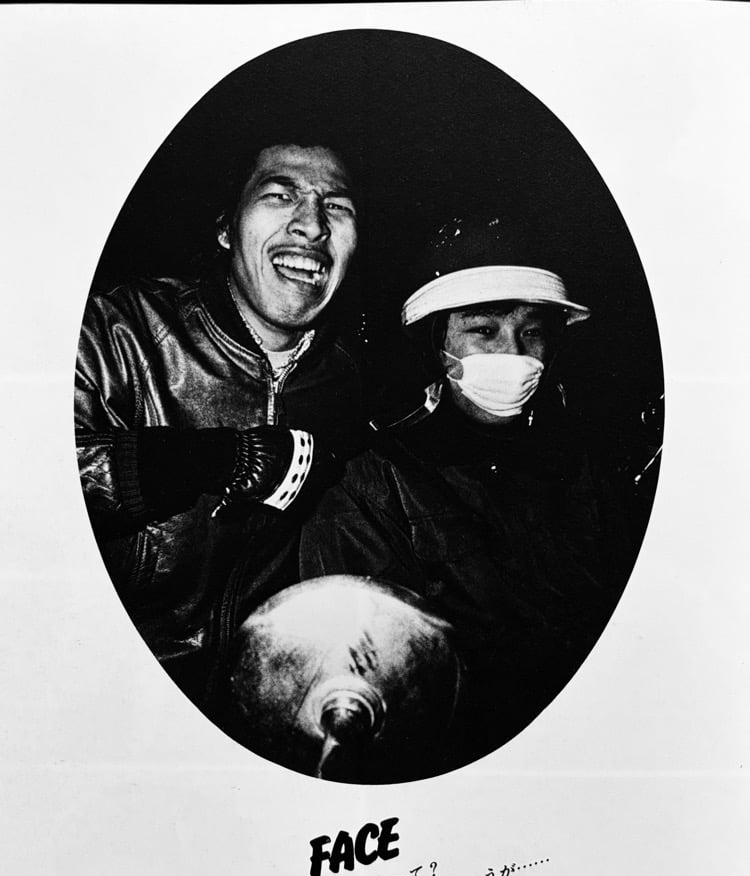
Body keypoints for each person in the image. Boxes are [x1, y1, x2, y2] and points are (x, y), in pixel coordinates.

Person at [298, 214, 639, 768]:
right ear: (438, 346)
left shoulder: (580, 468)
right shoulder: (373, 486)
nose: (514, 353)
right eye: (483, 331)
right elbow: (371, 687)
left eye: (532, 332)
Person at [76, 140, 365, 705]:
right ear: (226, 229)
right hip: (114, 682)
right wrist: (203, 460)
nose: (312, 225)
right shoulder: (120, 331)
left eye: (336, 206)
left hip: (255, 700)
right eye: (279, 195)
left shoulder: (350, 381)